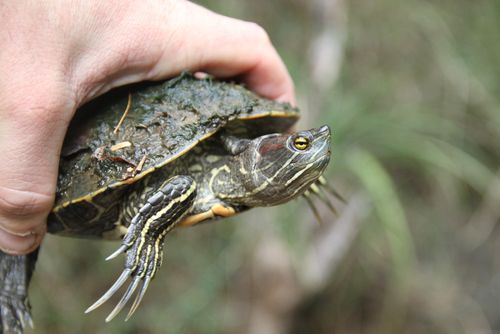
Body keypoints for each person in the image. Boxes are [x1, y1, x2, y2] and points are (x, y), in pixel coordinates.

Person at [0, 0, 295, 255]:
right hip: (81, 153)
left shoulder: (242, 144)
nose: (313, 145)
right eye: (300, 146)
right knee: (183, 187)